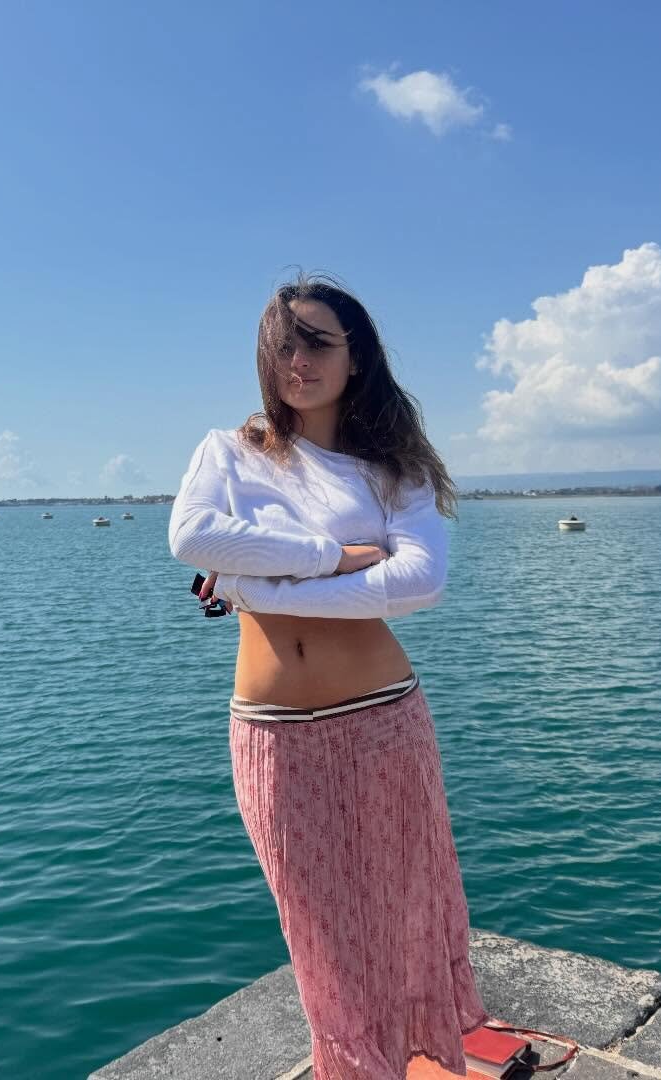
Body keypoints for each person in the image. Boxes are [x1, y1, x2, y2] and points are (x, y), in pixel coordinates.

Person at [168, 272, 492, 1078]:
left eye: (317, 343)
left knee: (406, 915)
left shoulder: (394, 469)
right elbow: (193, 537)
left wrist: (252, 586)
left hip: (383, 719)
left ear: (358, 357)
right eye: (283, 345)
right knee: (319, 936)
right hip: (274, 733)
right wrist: (330, 557)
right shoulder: (230, 451)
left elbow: (419, 581)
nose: (298, 361)